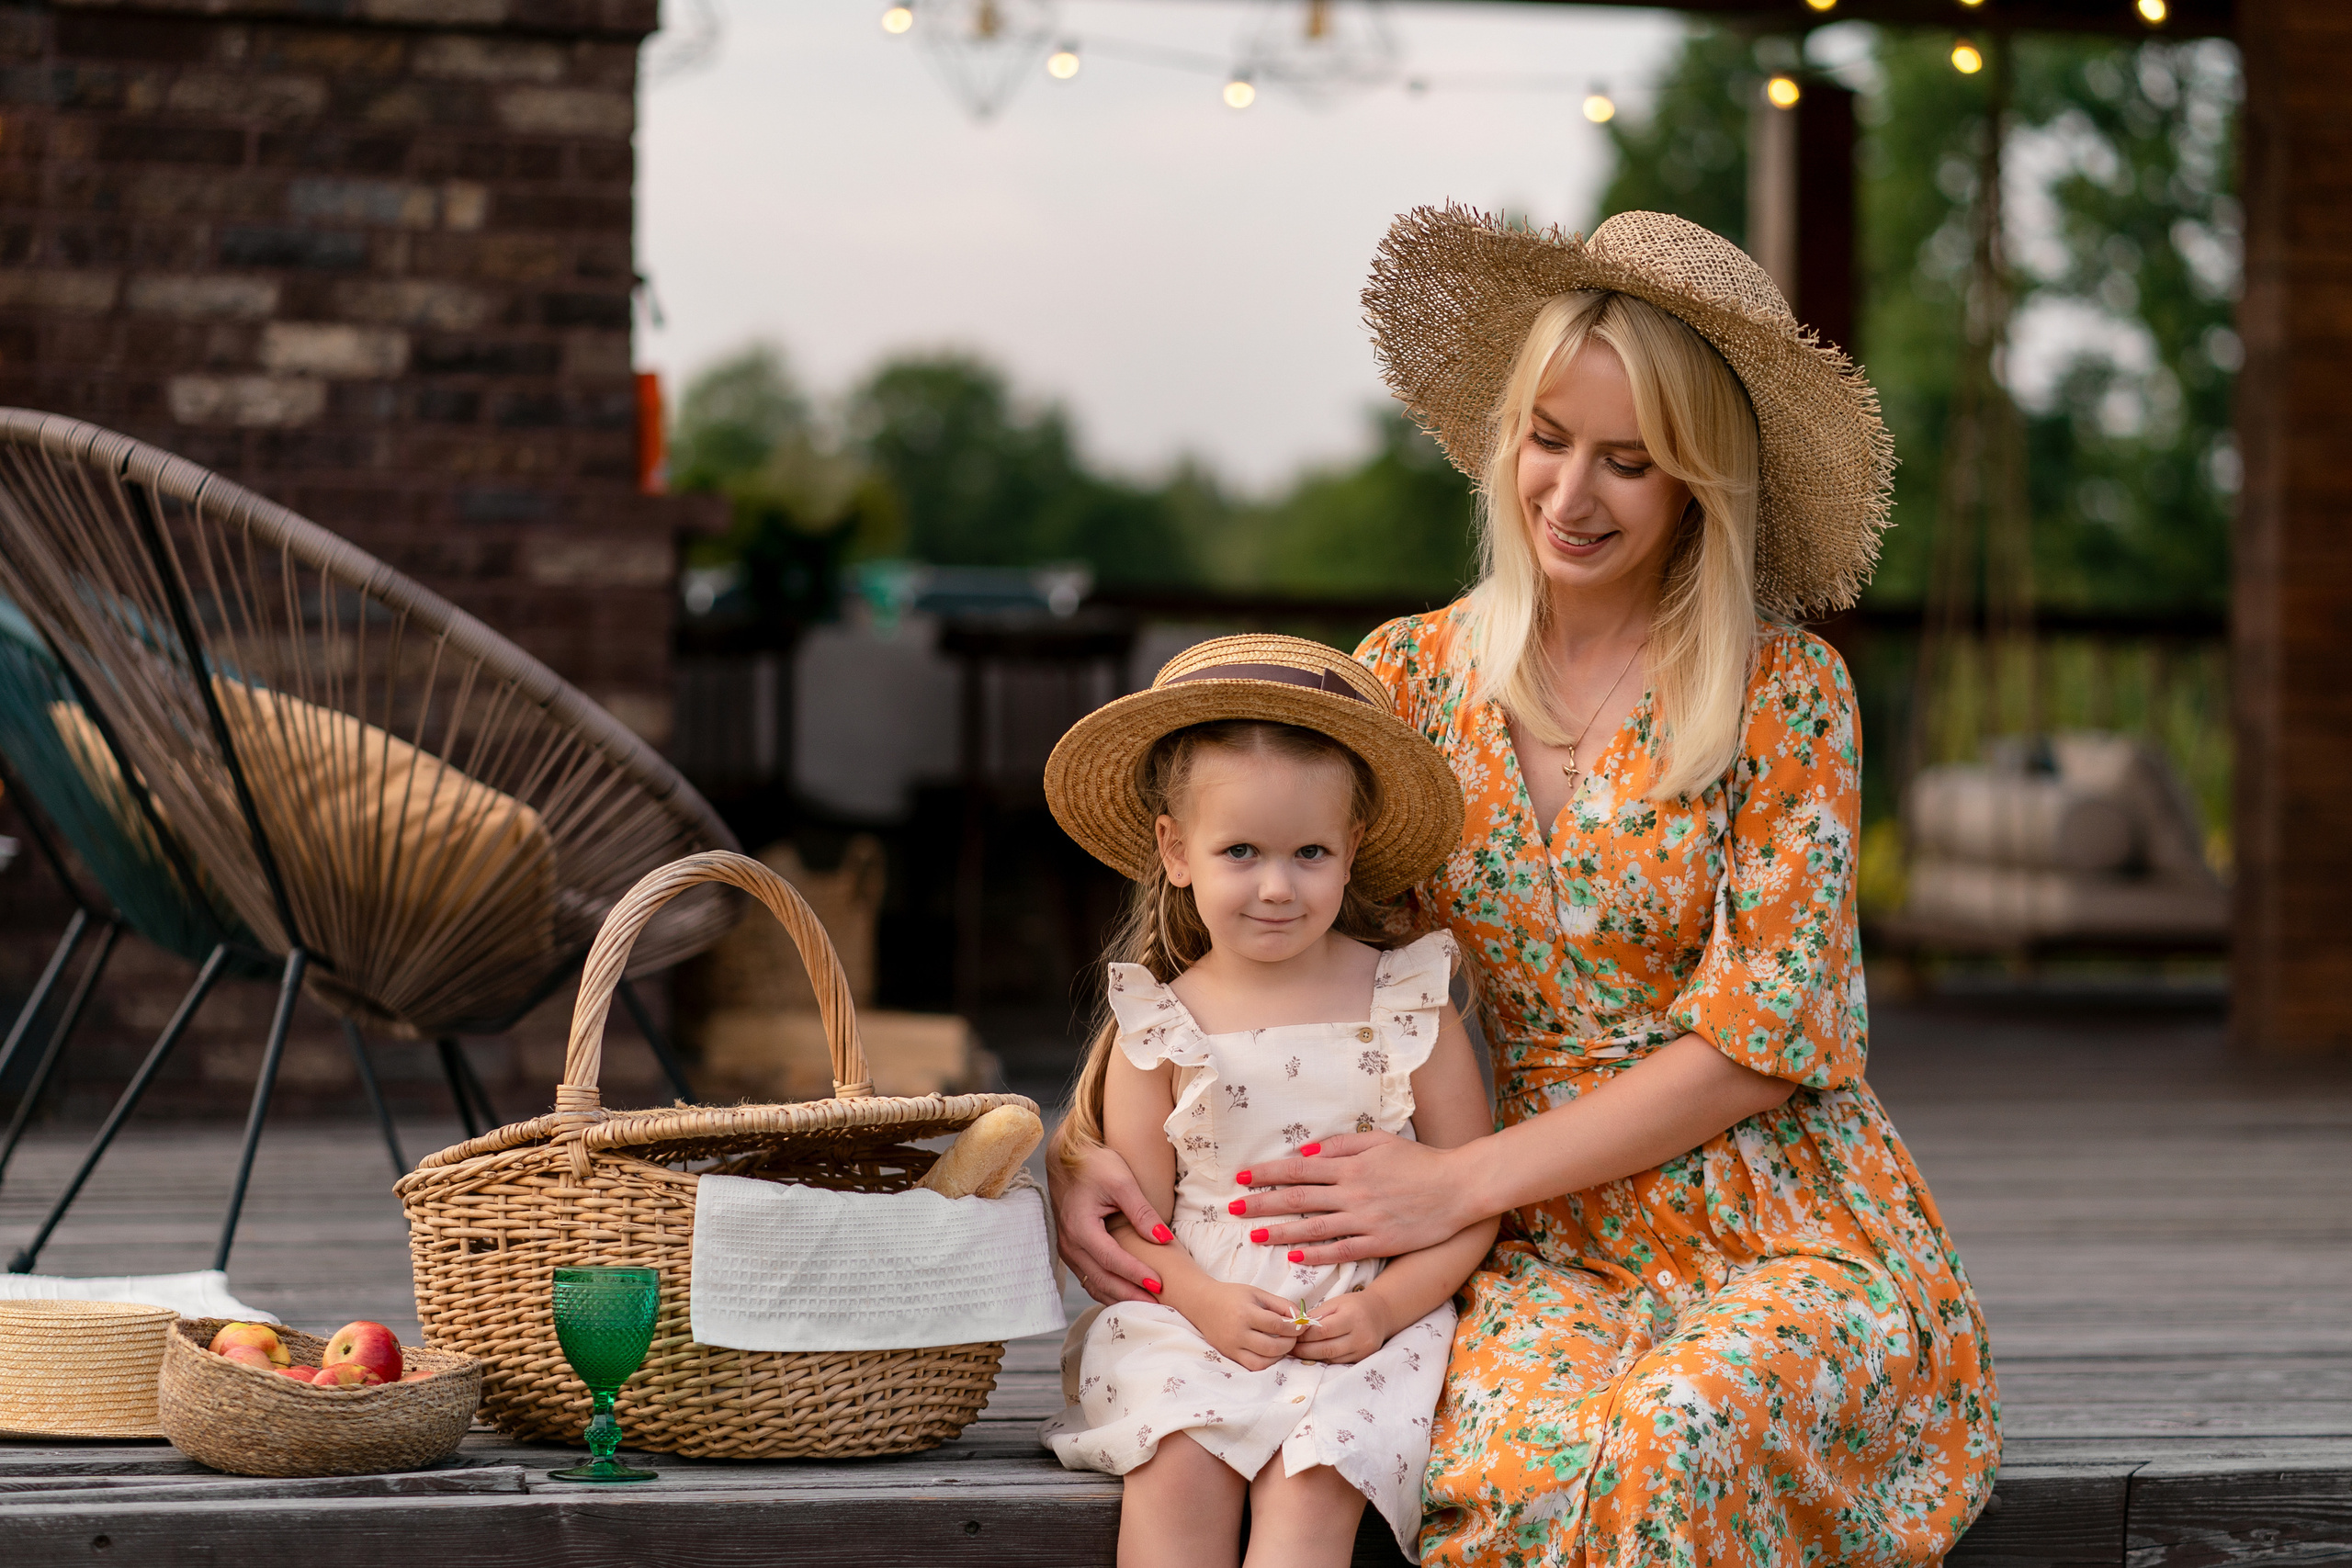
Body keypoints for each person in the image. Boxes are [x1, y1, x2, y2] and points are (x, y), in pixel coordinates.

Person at [1052, 208, 1999, 1564]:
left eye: (1631, 460)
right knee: (1516, 1451)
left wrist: (1458, 1180)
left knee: (1678, 1429)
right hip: (1522, 1244)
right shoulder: (1414, 677)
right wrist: (1090, 1135)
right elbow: (1269, 913)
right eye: (1547, 439)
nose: (1572, 492)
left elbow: (1768, 1035)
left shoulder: (1788, 693)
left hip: (1772, 1214)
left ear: (1699, 486)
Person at [1037, 633, 1499, 1568]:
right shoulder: (1160, 1024)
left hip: (1365, 1325)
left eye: (1310, 852)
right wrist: (1202, 1302)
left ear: (1352, 849)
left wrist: (1384, 1309)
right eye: (1239, 851)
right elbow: (1136, 1223)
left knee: (1313, 1482)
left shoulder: (1406, 1003)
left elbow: (1470, 1197)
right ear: (1176, 850)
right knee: (1174, 1468)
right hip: (1194, 1316)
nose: (1277, 886)